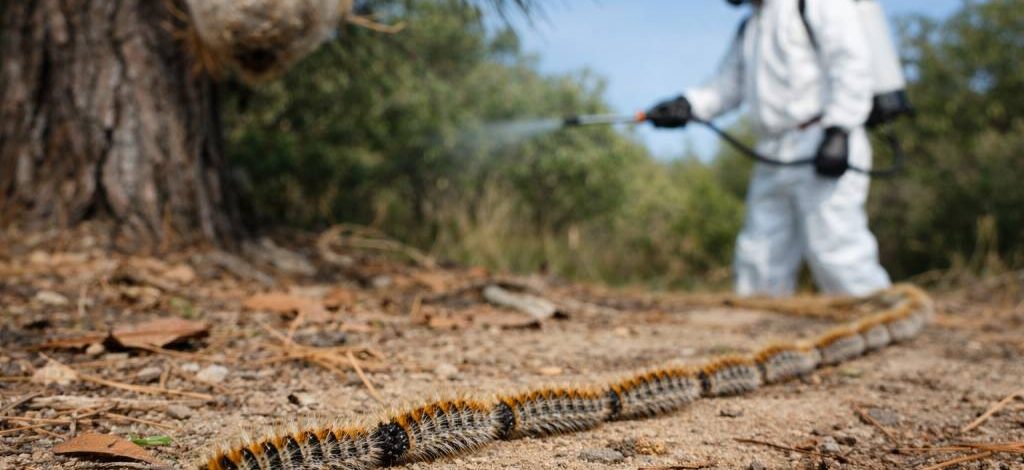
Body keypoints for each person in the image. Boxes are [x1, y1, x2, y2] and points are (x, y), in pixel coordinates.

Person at [646, 0, 891, 297]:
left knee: (836, 248)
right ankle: (762, 334)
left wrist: (839, 130)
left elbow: (851, 64)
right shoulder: (751, 26)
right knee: (759, 256)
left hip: (822, 139)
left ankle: (882, 322)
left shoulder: (818, 5)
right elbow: (726, 87)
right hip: (772, 151)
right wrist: (687, 104)